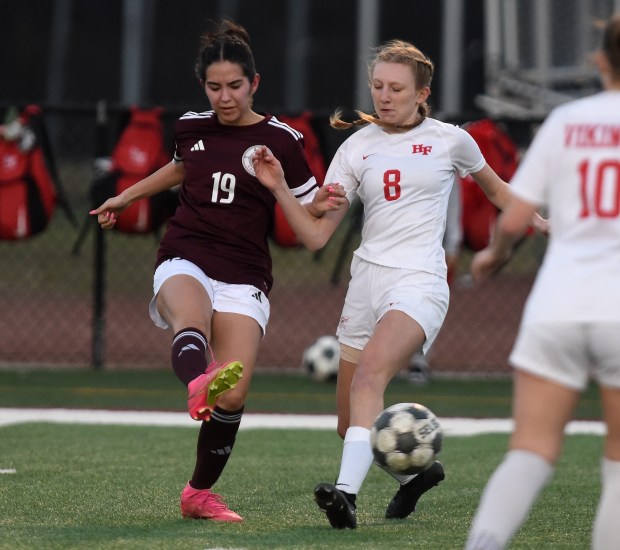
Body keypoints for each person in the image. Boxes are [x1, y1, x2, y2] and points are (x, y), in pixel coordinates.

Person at [252, 39, 547, 529]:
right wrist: (280, 188)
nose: (384, 96)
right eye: (377, 86)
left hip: (419, 281)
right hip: (365, 282)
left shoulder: (451, 139)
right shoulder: (356, 147)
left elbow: (497, 190)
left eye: (396, 88)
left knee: (370, 378)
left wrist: (543, 221)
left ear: (422, 92)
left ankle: (345, 497)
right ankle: (415, 478)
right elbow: (315, 237)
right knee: (351, 424)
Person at [90, 19, 335, 523]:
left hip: (245, 270)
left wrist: (314, 196)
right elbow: (183, 167)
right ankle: (199, 379)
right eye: (214, 86)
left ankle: (198, 494)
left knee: (237, 391)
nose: (225, 97)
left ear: (255, 83)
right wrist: (126, 194)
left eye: (235, 86)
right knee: (191, 324)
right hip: (187, 252)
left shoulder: (282, 141)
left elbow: (312, 213)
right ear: (203, 85)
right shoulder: (190, 126)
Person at [465, 14, 620, 550]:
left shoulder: (565, 121)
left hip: (557, 304)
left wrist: (492, 257)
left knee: (529, 451)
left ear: (599, 61)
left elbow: (512, 219)